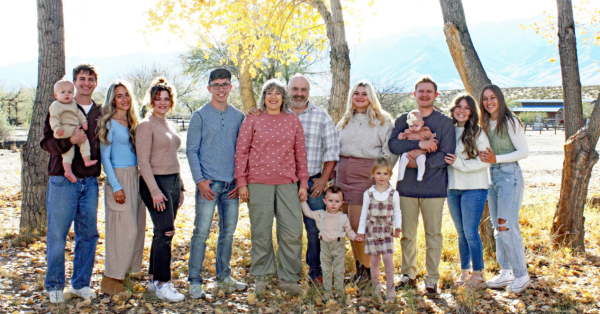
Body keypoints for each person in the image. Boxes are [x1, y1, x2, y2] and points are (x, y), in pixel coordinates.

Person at [248, 74, 340, 285]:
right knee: (281, 228)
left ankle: (315, 271)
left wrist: (323, 180)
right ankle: (272, 272)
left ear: (309, 92)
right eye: (295, 89)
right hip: (283, 180)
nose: (299, 94)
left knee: (314, 229)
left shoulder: (321, 116)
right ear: (287, 90)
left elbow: (333, 152)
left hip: (313, 182)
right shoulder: (276, 111)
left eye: (303, 90)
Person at [234, 79, 309, 296]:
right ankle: (263, 276)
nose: (273, 97)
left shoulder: (292, 120)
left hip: (287, 183)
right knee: (261, 231)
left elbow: (300, 154)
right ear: (264, 97)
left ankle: (289, 278)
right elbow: (242, 152)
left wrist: (303, 182)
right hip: (258, 183)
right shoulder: (253, 120)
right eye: (269, 92)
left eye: (277, 93)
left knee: (292, 231)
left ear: (283, 97)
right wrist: (242, 182)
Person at [388, 76, 456, 296]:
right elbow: (394, 144)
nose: (424, 95)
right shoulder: (403, 119)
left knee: (433, 234)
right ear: (414, 94)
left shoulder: (444, 122)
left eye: (429, 92)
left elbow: (446, 154)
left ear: (436, 95)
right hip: (405, 188)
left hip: (434, 188)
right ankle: (408, 274)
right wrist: (420, 144)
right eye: (421, 91)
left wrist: (416, 164)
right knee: (407, 234)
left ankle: (432, 279)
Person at [40, 64, 101, 303]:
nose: (86, 83)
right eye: (82, 78)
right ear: (74, 83)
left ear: (96, 82)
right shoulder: (59, 105)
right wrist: (70, 141)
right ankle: (54, 285)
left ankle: (80, 284)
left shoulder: (99, 111)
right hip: (62, 181)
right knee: (58, 234)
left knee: (88, 235)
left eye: (91, 79)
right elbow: (46, 142)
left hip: (90, 181)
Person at [186, 69, 247, 299]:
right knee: (201, 232)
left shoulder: (239, 116)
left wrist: (240, 181)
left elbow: (243, 151)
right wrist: (200, 181)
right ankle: (194, 281)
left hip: (231, 185)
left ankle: (223, 277)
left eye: (225, 84)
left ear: (231, 87)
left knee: (228, 233)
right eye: (216, 84)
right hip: (208, 185)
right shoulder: (199, 116)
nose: (221, 88)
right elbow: (191, 150)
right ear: (209, 88)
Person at [335, 80, 398, 284]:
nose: (360, 97)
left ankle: (370, 270)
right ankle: (360, 270)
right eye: (356, 93)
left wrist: (381, 175)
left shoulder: (383, 121)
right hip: (343, 173)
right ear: (351, 97)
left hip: (367, 174)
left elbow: (390, 151)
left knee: (359, 223)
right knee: (348, 226)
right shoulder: (344, 121)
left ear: (371, 97)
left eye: (365, 93)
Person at [137, 77, 185, 302]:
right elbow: (143, 162)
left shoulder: (168, 123)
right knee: (166, 232)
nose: (162, 103)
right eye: (158, 99)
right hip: (155, 184)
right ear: (151, 101)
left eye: (166, 99)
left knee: (161, 232)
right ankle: (164, 283)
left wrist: (181, 186)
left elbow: (173, 156)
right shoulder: (146, 125)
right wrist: (155, 191)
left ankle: (153, 280)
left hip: (173, 182)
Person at [478, 85, 530, 293]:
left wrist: (496, 158)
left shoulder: (510, 121)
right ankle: (506, 271)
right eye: (485, 99)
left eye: (493, 98)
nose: (489, 102)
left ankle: (522, 275)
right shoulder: (485, 123)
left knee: (507, 225)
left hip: (509, 176)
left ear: (500, 98)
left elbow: (524, 152)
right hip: (492, 177)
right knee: (498, 229)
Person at [97, 80, 145, 295]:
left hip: (136, 176)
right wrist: (116, 185)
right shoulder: (109, 123)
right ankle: (110, 278)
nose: (124, 99)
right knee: (123, 230)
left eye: (126, 95)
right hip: (119, 178)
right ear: (112, 99)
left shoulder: (134, 121)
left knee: (136, 228)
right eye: (119, 95)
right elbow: (105, 158)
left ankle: (124, 274)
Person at [443, 93, 490, 288]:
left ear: (471, 112)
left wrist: (459, 163)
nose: (462, 110)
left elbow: (485, 160)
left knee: (471, 232)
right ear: (453, 110)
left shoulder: (478, 133)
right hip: (453, 189)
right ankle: (464, 273)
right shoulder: (448, 130)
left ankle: (478, 276)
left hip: (474, 188)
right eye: (458, 107)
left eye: (466, 108)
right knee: (461, 233)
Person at [355, 157, 402, 301]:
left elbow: (397, 211)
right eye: (379, 173)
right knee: (374, 261)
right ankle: (376, 288)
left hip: (387, 231)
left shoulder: (393, 193)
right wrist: (361, 232)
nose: (382, 177)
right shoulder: (368, 193)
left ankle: (390, 290)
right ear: (373, 174)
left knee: (388, 258)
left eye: (385, 173)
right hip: (372, 231)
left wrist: (398, 227)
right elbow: (364, 213)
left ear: (390, 175)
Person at [300, 186, 356, 297]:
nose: (333, 204)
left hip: (338, 246)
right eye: (330, 201)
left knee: (339, 270)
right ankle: (328, 292)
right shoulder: (321, 214)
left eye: (337, 201)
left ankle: (339, 292)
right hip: (324, 246)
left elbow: (348, 230)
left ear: (341, 203)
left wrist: (355, 237)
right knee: (326, 271)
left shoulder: (343, 217)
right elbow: (308, 213)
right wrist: (303, 201)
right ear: (325, 201)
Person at [49, 79, 97, 183]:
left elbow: (80, 114)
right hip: (64, 129)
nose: (67, 94)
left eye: (69, 92)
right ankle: (82, 162)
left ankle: (70, 169)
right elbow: (54, 119)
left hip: (89, 179)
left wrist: (84, 122)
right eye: (63, 92)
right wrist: (57, 129)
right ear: (56, 95)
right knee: (80, 142)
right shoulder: (56, 105)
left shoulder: (74, 105)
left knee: (72, 150)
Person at [396, 110, 436, 181]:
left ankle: (420, 175)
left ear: (422, 123)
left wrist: (432, 140)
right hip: (410, 152)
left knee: (421, 160)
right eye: (411, 126)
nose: (413, 128)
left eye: (416, 126)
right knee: (403, 158)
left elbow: (431, 138)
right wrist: (401, 137)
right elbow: (403, 141)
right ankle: (401, 174)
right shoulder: (407, 132)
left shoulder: (425, 132)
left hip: (420, 153)